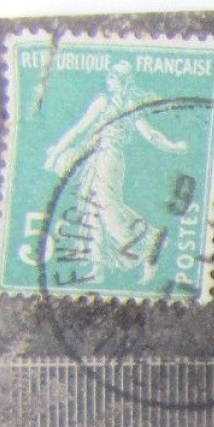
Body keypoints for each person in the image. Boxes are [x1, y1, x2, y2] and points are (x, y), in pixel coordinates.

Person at [43, 61, 189, 285]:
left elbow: (149, 134)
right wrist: (57, 153)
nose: (108, 79)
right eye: (109, 75)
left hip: (108, 159)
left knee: (107, 209)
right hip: (97, 157)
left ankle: (151, 243)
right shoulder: (118, 102)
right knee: (93, 210)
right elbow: (80, 130)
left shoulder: (112, 102)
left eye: (112, 76)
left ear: (120, 80)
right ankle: (98, 267)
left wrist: (174, 147)